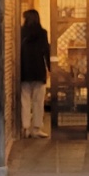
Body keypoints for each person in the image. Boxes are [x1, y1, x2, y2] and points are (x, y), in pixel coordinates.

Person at [19, 8, 51, 138]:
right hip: (38, 70)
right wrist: (50, 68)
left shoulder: (20, 32)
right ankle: (36, 128)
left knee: (24, 100)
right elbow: (46, 51)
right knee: (38, 101)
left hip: (24, 70)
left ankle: (25, 128)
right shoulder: (42, 33)